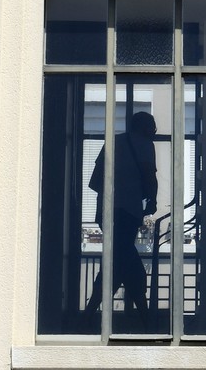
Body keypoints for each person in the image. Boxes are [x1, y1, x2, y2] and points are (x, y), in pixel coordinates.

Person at [86, 112, 158, 321]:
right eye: (152, 128)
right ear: (146, 128)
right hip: (129, 211)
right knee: (123, 258)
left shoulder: (114, 142)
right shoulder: (145, 145)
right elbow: (149, 177)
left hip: (107, 212)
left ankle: (90, 312)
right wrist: (150, 201)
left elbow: (95, 181)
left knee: (118, 258)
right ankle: (143, 314)